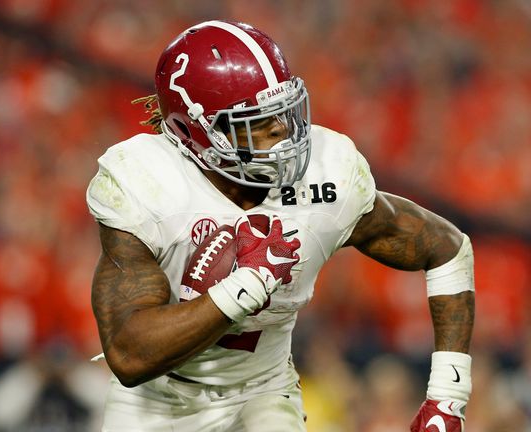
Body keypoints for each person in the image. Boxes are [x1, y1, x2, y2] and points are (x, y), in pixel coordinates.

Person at [86, 20, 475, 432]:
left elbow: (447, 248)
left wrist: (447, 398)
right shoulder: (146, 183)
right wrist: (245, 287)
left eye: (283, 111)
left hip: (264, 391)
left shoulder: (328, 176)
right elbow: (130, 356)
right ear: (193, 131)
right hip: (157, 400)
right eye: (252, 121)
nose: (282, 130)